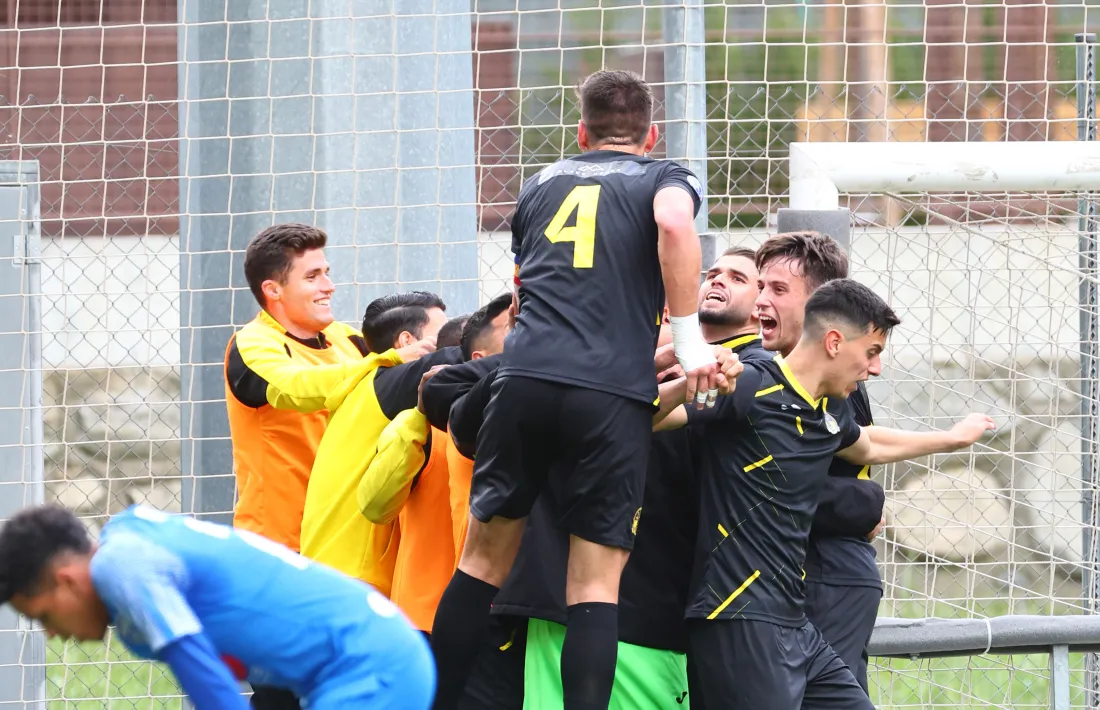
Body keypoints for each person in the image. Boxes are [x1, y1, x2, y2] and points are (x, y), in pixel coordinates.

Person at [431, 69, 719, 710]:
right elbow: (674, 225)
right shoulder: (663, 176)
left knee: (480, 564)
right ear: (651, 135)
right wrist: (689, 338)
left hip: (524, 378)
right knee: (594, 583)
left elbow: (524, 282)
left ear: (581, 132)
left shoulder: (539, 183)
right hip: (609, 390)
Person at [656, 279, 995, 710]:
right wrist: (689, 375)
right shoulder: (749, 387)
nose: (875, 369)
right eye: (872, 353)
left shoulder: (828, 409)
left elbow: (870, 445)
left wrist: (950, 439)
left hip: (795, 623)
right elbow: (650, 417)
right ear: (835, 341)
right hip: (737, 618)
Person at [0, 504, 435, 710]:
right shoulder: (128, 542)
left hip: (370, 666)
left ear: (66, 579)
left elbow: (208, 682)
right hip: (368, 661)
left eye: (41, 616)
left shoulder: (120, 567)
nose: (51, 633)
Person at [224, 223, 388, 710]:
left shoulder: (347, 341)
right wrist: (383, 362)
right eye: (313, 276)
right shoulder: (252, 345)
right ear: (273, 290)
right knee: (284, 694)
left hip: (346, 552)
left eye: (327, 272)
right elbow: (296, 386)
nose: (329, 286)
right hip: (278, 552)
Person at [753, 231, 887, 691]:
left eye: (778, 290)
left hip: (827, 576)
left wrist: (865, 502)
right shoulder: (768, 376)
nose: (761, 301)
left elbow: (811, 476)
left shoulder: (830, 385)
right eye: (759, 287)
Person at [356, 294, 514, 639]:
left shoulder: (520, 415)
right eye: (511, 330)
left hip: (488, 612)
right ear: (476, 360)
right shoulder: (419, 425)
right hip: (427, 619)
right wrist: (418, 419)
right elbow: (373, 504)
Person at [299, 292, 461, 597]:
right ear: (407, 341)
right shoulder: (388, 383)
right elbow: (457, 358)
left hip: (334, 572)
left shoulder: (367, 390)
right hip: (353, 581)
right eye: (440, 336)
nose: (447, 345)